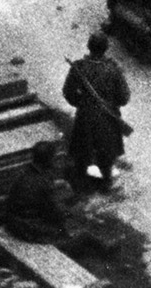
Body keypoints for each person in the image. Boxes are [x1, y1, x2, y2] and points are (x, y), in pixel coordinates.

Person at [62, 31, 131, 190]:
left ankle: (78, 185)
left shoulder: (79, 67)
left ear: (88, 46)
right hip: (107, 117)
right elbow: (124, 97)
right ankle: (106, 184)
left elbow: (68, 91)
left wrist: (80, 103)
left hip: (85, 116)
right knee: (106, 154)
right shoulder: (114, 70)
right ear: (106, 48)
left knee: (82, 151)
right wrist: (112, 104)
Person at [3, 139, 73, 243]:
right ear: (48, 160)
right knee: (63, 232)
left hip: (12, 221)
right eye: (53, 157)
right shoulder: (42, 182)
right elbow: (53, 210)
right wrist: (68, 215)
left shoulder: (25, 172)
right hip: (25, 227)